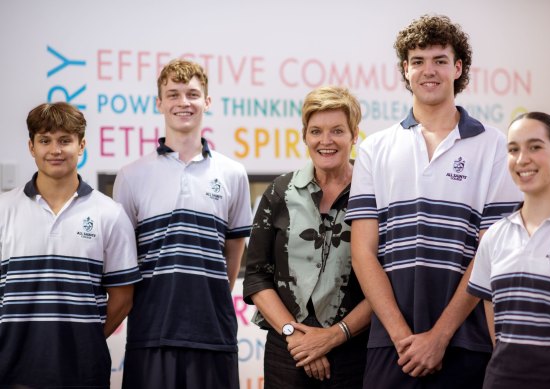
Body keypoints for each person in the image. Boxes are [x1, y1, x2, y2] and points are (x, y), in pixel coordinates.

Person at [345, 14, 522, 388]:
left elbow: (489, 253)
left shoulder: (494, 146)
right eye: (418, 61)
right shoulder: (376, 148)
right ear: (405, 70)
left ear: (458, 68)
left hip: (466, 342)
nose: (430, 70)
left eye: (440, 60)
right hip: (390, 345)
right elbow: (363, 252)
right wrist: (400, 336)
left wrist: (440, 336)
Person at [113, 58, 252, 389]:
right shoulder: (131, 176)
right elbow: (123, 261)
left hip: (213, 332)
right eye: (173, 94)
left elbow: (233, 254)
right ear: (159, 103)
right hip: (151, 333)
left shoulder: (233, 173)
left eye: (192, 93)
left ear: (207, 100)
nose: (183, 102)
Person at [0, 102, 141, 388]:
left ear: (81, 145)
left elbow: (123, 298)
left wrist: (84, 339)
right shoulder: (3, 209)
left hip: (83, 373)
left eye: (65, 140)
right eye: (45, 140)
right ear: (31, 147)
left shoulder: (110, 213)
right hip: (9, 370)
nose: (55, 150)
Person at [243, 86, 371, 388]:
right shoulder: (279, 192)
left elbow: (385, 279)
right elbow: (257, 277)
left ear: (354, 136)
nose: (325, 141)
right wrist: (297, 336)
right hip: (287, 351)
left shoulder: (372, 193)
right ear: (304, 136)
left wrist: (332, 336)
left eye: (337, 130)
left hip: (353, 351)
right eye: (316, 131)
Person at [467, 112, 550, 388]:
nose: (522, 159)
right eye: (513, 149)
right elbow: (498, 336)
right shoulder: (494, 236)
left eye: (535, 147)